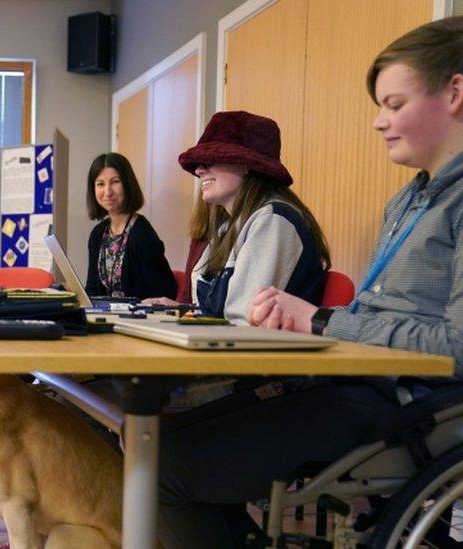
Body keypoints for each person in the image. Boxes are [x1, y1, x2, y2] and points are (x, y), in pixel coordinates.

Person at [156, 17, 463, 548]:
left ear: (455, 92)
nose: (378, 122)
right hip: (357, 384)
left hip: (409, 403)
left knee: (161, 470)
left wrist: (319, 319)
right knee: (154, 443)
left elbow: (457, 345)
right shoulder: (410, 199)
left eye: (393, 104)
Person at [159, 111, 331, 325]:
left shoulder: (274, 221)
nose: (199, 170)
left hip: (259, 355)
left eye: (209, 161)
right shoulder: (231, 225)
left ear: (245, 164)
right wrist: (180, 310)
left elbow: (244, 320)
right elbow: (215, 311)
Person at [84, 152, 177, 300]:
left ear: (127, 184)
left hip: (138, 318)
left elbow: (165, 290)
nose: (107, 191)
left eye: (115, 182)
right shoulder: (98, 234)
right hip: (105, 316)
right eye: (100, 184)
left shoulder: (141, 233)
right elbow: (92, 289)